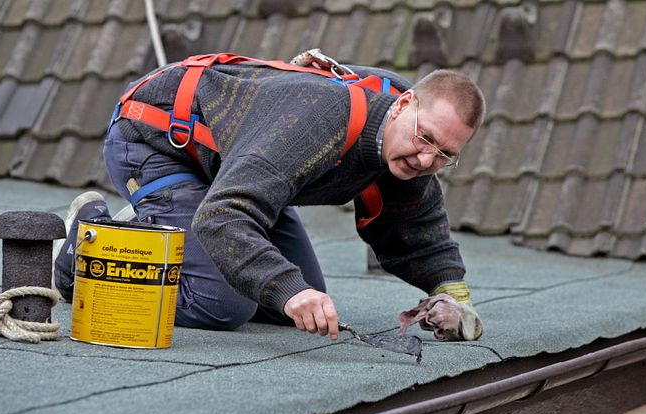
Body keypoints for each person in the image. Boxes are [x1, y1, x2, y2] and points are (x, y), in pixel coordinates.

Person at [53, 53, 486, 341]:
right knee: (223, 305)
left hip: (236, 171)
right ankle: (91, 246)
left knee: (297, 305)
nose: (428, 158)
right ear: (404, 104)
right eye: (426, 138)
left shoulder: (405, 142)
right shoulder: (317, 119)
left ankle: (161, 227)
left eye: (447, 154)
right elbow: (223, 216)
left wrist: (456, 300)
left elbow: (414, 224)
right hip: (156, 140)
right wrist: (286, 287)